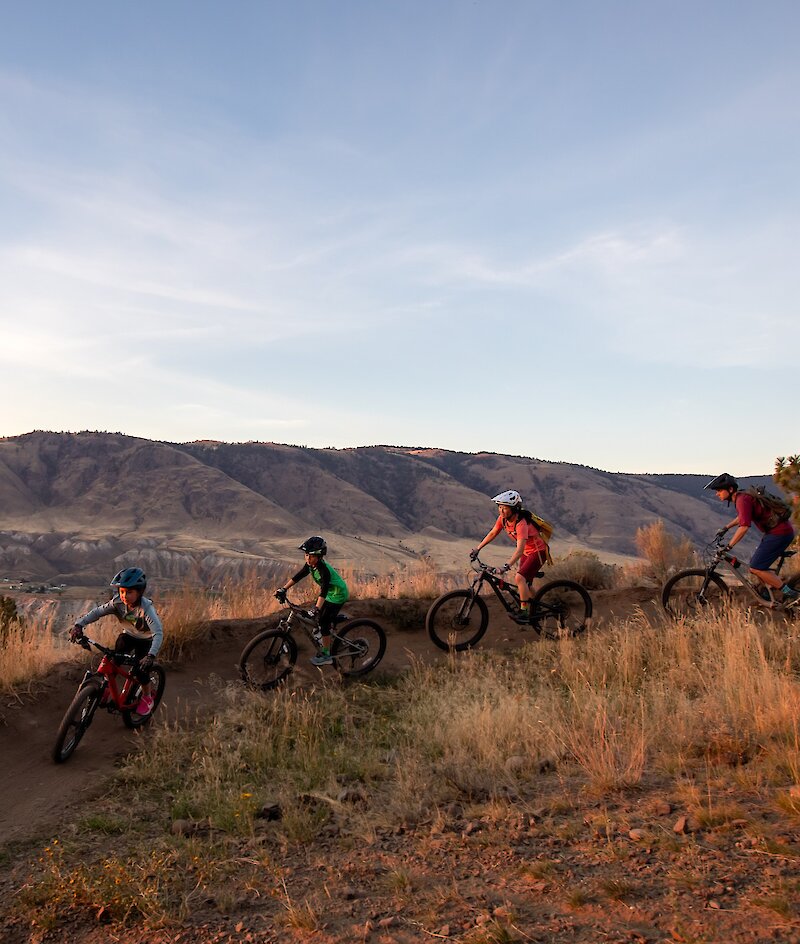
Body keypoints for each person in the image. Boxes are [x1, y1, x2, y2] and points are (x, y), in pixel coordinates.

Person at [69, 567, 163, 714]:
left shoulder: (146, 609)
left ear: (139, 592)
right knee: (112, 662)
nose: (124, 595)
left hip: (146, 640)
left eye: (129, 592)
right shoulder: (117, 603)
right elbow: (97, 612)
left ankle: (147, 696)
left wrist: (150, 656)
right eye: (122, 591)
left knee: (140, 670)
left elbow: (158, 633)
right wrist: (79, 625)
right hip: (128, 636)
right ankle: (105, 688)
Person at [705, 473, 799, 606]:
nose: (717, 494)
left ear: (730, 489)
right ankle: (767, 593)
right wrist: (726, 527)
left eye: (719, 490)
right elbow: (742, 517)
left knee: (756, 567)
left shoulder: (741, 500)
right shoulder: (742, 497)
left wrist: (729, 546)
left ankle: (793, 594)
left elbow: (744, 527)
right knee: (755, 565)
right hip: (776, 532)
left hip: (779, 533)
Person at [470, 490, 550, 624]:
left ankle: (524, 611)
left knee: (520, 578)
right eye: (499, 507)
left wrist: (506, 566)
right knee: (526, 583)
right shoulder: (503, 519)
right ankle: (538, 607)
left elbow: (519, 550)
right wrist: (478, 548)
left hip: (538, 552)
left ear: (514, 509)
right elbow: (493, 532)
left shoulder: (521, 524)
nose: (501, 510)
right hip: (527, 553)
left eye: (505, 508)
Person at [274, 536, 349, 665]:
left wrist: (317, 608)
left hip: (338, 595)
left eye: (312, 556)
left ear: (319, 557)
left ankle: (326, 655)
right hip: (330, 594)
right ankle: (330, 625)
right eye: (306, 555)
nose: (308, 558)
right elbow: (298, 576)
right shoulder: (310, 565)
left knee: (323, 622)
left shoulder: (323, 570)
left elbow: (324, 590)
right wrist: (283, 589)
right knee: (318, 618)